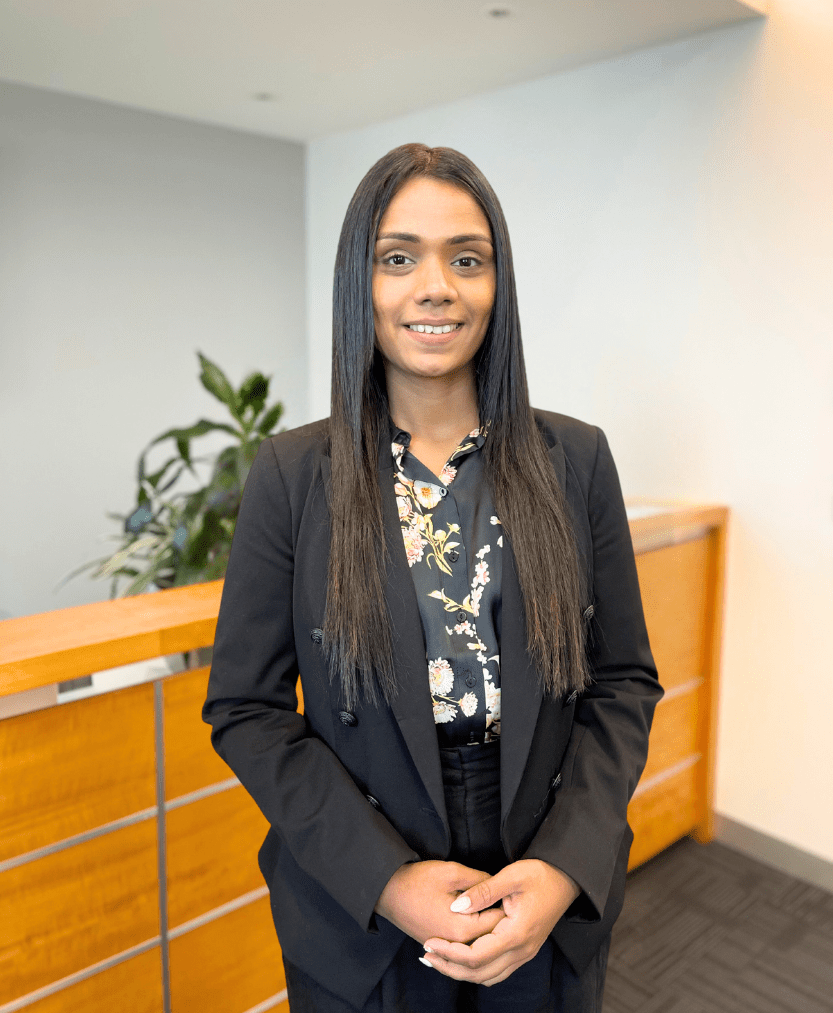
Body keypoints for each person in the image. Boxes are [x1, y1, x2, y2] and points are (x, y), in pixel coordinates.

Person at [203, 143, 661, 1012]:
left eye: (466, 258)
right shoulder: (293, 473)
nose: (435, 286)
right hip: (361, 878)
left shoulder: (576, 459)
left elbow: (621, 682)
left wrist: (565, 865)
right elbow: (248, 710)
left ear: (497, 283)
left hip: (541, 848)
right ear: (360, 283)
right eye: (398, 257)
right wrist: (385, 879)